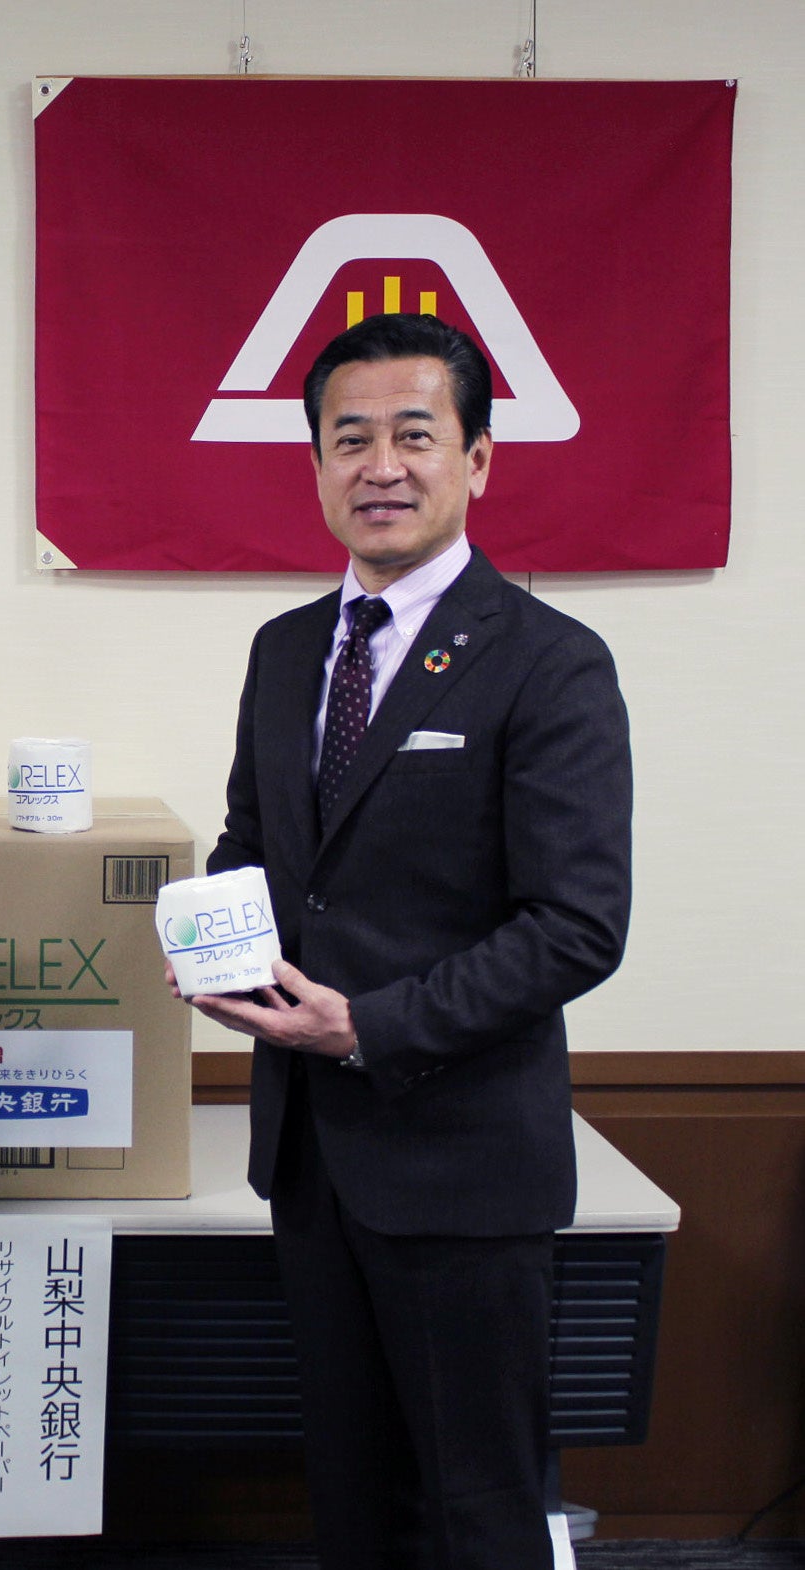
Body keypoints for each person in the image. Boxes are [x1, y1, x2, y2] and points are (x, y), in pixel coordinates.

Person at [174, 312, 632, 1569]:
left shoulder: (546, 661)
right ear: (315, 464)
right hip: (311, 1159)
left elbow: (576, 924)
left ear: (475, 459)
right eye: (349, 438)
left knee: (476, 1510)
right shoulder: (284, 652)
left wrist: (366, 1027)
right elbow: (256, 841)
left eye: (413, 435)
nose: (379, 465)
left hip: (463, 1163)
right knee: (352, 1502)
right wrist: (215, 935)